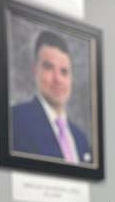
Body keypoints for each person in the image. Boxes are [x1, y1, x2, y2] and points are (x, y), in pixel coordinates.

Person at [11, 31, 92, 163]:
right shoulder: (16, 120)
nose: (58, 79)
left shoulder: (81, 139)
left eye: (64, 72)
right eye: (49, 67)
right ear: (35, 71)